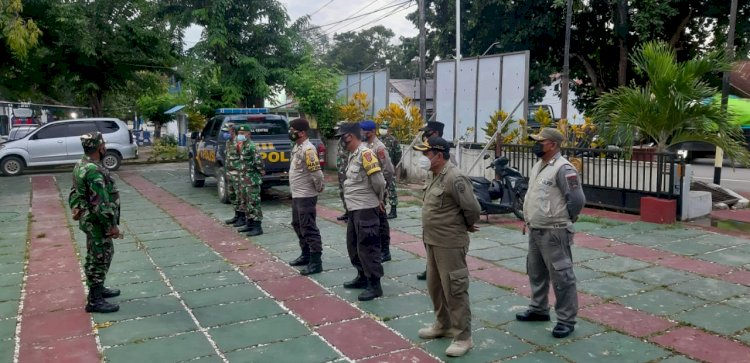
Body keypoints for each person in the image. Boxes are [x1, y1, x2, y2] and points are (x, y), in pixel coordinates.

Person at [413, 136, 480, 357]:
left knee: (455, 289)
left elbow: (472, 208)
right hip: (432, 240)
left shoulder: (455, 177)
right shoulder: (433, 174)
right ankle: (443, 324)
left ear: (439, 155)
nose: (423, 157)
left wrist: (466, 225)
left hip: (450, 243)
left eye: (426, 153)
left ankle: (463, 337)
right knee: (435, 287)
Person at [516, 128, 585, 339]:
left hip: (554, 232)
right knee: (536, 271)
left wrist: (566, 220)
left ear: (553, 145)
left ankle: (566, 320)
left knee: (562, 276)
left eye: (540, 141)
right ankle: (539, 309)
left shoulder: (564, 169)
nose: (536, 144)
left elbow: (577, 200)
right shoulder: (540, 165)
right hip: (536, 229)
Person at [69, 131, 121, 313]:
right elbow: (101, 204)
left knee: (99, 254)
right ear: (100, 147)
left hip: (89, 219)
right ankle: (94, 300)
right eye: (104, 143)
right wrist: (112, 226)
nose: (105, 146)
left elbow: (74, 193)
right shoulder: (93, 171)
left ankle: (99, 289)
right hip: (97, 221)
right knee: (100, 257)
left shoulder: (81, 164)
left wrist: (76, 209)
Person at [337, 122, 387, 301]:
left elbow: (379, 182)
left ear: (349, 136)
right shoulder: (353, 155)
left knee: (368, 247)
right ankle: (362, 276)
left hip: (366, 207)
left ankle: (375, 285)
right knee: (353, 245)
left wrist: (379, 199)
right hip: (354, 208)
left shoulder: (365, 154)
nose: (340, 141)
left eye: (341, 137)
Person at [416, 121, 455, 281]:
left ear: (437, 133)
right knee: (428, 240)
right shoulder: (429, 150)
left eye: (428, 133)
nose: (425, 135)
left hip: (444, 211)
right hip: (431, 204)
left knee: (442, 245)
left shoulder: (444, 151)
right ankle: (431, 267)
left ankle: (440, 269)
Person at [287, 118, 326, 275]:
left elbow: (317, 174)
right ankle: (306, 254)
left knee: (308, 227)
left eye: (293, 130)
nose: (290, 133)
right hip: (297, 194)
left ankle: (316, 262)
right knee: (297, 224)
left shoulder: (308, 150)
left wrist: (318, 188)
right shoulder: (297, 147)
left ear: (302, 132)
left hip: (306, 195)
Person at [361, 120, 393, 262]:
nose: (362, 133)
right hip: (368, 190)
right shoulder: (364, 145)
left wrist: (383, 189)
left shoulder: (379, 148)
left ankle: (385, 251)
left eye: (365, 131)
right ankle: (376, 248)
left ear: (372, 131)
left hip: (378, 189)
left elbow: (388, 170)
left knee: (381, 220)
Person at [236, 123, 265, 236]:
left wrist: (260, 171)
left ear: (248, 134)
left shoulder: (251, 146)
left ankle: (257, 227)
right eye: (239, 133)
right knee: (246, 202)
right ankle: (249, 224)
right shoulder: (243, 145)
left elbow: (259, 161)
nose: (240, 135)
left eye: (242, 133)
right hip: (244, 179)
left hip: (252, 179)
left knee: (254, 203)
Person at [379, 121, 401, 219]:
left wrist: (394, 166)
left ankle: (393, 210)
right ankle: (381, 209)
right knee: (380, 189)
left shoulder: (393, 141)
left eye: (384, 128)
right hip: (379, 169)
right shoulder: (378, 140)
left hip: (390, 168)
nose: (382, 130)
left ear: (389, 129)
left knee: (391, 189)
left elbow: (398, 154)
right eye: (381, 127)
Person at [222, 123, 244, 226]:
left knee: (240, 196)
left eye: (228, 131)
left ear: (233, 131)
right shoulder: (228, 142)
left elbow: (243, 158)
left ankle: (242, 218)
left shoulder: (239, 142)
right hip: (230, 173)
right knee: (232, 195)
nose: (226, 133)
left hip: (238, 174)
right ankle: (236, 215)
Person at [334, 121, 351, 222]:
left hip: (348, 170)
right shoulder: (341, 139)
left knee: (349, 191)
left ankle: (351, 214)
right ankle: (347, 211)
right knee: (342, 192)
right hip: (341, 170)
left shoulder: (350, 140)